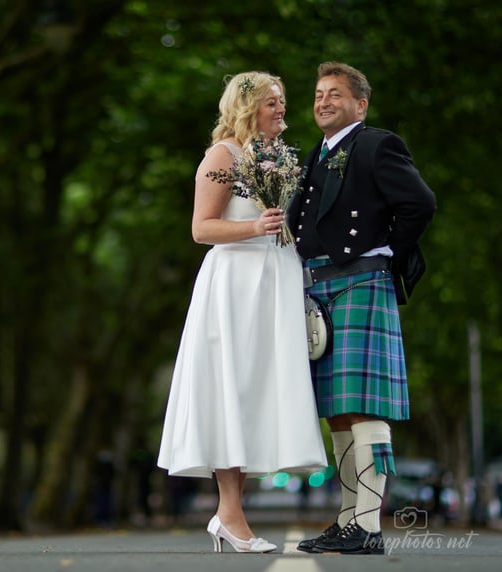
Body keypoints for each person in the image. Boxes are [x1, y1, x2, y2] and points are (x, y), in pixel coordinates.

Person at [157, 71, 328, 554]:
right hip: (235, 286)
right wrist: (256, 227)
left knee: (254, 394)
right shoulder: (223, 155)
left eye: (282, 101)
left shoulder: (274, 156)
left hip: (274, 282)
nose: (282, 109)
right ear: (247, 106)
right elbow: (201, 228)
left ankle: (231, 514)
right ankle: (230, 515)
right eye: (272, 102)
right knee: (231, 390)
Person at [289, 62, 436, 555]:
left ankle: (369, 525)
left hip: (360, 282)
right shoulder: (314, 156)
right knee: (337, 409)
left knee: (363, 405)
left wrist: (387, 251)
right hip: (318, 288)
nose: (323, 101)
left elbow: (420, 203)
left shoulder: (377, 145)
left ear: (360, 104)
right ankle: (349, 518)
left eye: (335, 93)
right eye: (318, 94)